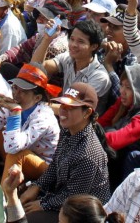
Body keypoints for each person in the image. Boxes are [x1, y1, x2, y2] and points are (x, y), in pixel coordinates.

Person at [20, 83, 112, 222]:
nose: (63, 111)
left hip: (79, 214)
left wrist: (43, 204)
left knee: (26, 218)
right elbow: (55, 165)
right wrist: (36, 186)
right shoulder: (68, 130)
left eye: (70, 108)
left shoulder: (87, 155)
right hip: (61, 197)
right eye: (63, 105)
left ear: (87, 113)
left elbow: (72, 198)